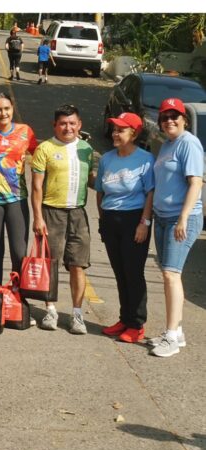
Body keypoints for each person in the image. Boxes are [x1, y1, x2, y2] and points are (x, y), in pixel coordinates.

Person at [31, 104, 98, 335]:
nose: (67, 127)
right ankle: (50, 309)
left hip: (78, 214)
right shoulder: (45, 149)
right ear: (55, 125)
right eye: (62, 123)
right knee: (51, 264)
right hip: (52, 212)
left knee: (78, 265)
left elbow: (92, 181)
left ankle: (77, 314)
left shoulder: (87, 149)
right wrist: (38, 217)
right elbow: (37, 187)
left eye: (72, 123)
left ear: (79, 125)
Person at [147, 98, 204, 357]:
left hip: (181, 219)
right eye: (165, 116)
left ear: (185, 120)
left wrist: (182, 218)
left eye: (174, 116)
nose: (169, 120)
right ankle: (176, 332)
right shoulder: (169, 145)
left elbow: (195, 183)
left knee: (171, 274)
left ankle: (171, 336)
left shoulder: (189, 143)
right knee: (169, 274)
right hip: (163, 217)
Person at [95, 112, 154, 343]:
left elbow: (150, 192)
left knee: (133, 273)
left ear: (134, 133)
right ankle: (124, 318)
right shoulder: (107, 159)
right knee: (120, 273)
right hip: (111, 220)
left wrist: (144, 223)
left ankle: (136, 324)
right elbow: (100, 191)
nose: (115, 133)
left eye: (121, 130)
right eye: (114, 129)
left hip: (134, 220)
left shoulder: (146, 159)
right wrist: (102, 219)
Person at [0, 93, 37, 287]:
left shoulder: (25, 131)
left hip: (17, 199)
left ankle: (17, 296)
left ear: (12, 109)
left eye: (7, 108)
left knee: (19, 252)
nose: (3, 113)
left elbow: (43, 156)